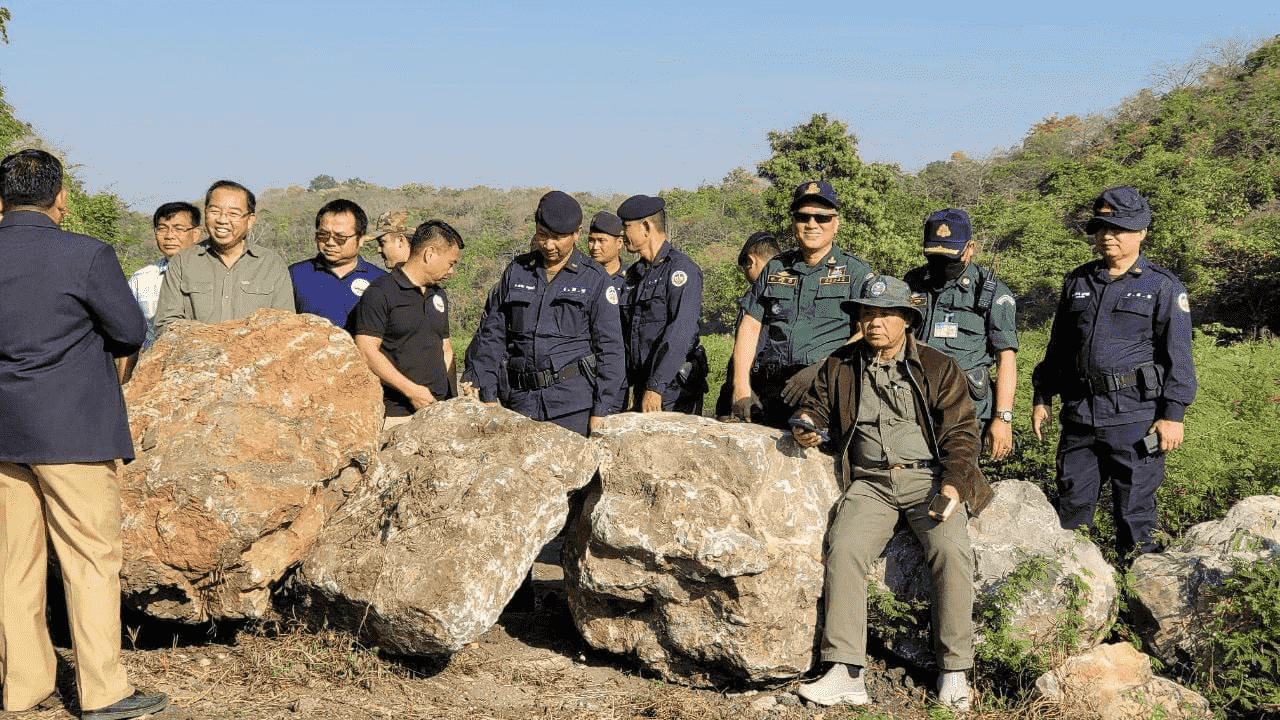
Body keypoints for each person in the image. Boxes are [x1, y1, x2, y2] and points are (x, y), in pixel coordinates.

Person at [0, 149, 168, 719]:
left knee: (11, 565)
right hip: (72, 429)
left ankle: (23, 687)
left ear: (1, 199)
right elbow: (128, 328)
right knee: (91, 560)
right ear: (61, 198)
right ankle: (103, 690)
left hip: (2, 432)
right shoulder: (85, 254)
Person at [791, 275, 988, 711]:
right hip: (870, 483)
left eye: (885, 314)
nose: (874, 322)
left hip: (928, 480)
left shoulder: (938, 366)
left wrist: (954, 483)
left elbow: (961, 433)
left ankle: (954, 671)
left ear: (907, 320)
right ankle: (845, 671)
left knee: (952, 552)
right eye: (867, 313)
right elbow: (817, 408)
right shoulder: (841, 364)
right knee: (843, 549)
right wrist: (806, 425)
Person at [1031, 186, 1196, 560]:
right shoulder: (1078, 282)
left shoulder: (1162, 286)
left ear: (1141, 233)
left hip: (1135, 418)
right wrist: (1042, 396)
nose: (1108, 236)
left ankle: (1138, 607)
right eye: (1102, 228)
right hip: (1080, 414)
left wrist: (1173, 416)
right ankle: (1073, 603)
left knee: (1135, 515)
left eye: (1118, 228)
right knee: (1071, 512)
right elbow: (1058, 349)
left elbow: (1179, 358)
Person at [465, 190, 625, 435]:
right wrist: (486, 391)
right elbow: (492, 336)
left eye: (558, 238)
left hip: (572, 408)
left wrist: (601, 412)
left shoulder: (595, 279)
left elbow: (610, 351)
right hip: (518, 403)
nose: (549, 245)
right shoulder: (517, 271)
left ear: (577, 234)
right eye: (542, 236)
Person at [730, 180, 875, 428]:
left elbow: (868, 333)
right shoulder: (776, 268)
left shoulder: (855, 272)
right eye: (803, 217)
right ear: (793, 222)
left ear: (836, 223)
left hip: (825, 390)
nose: (812, 224)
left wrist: (822, 369)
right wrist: (741, 386)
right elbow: (751, 325)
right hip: (772, 387)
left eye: (822, 218)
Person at [904, 209, 1019, 460]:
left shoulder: (991, 293)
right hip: (913, 402)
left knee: (957, 481)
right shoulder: (913, 282)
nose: (943, 266)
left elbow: (1006, 359)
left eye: (950, 258)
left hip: (965, 409)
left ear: (971, 248)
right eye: (936, 257)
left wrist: (1003, 418)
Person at [351, 220, 464, 430]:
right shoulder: (380, 292)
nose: (452, 270)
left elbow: (445, 348)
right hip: (396, 416)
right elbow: (366, 351)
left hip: (438, 413)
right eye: (451, 263)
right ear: (429, 254)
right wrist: (412, 391)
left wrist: (452, 399)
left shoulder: (439, 294)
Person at [154, 180, 293, 334]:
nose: (222, 220)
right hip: (196, 356)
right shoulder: (181, 262)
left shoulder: (272, 264)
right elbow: (166, 324)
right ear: (205, 212)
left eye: (233, 213)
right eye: (214, 211)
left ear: (250, 220)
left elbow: (284, 326)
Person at [617, 195, 707, 414]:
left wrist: (656, 387)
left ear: (646, 227)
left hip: (671, 390)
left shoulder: (681, 270)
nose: (622, 233)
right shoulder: (635, 275)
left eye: (627, 226)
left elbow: (680, 332)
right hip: (643, 386)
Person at [115, 201, 203, 383]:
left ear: (196, 234)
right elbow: (130, 340)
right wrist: (123, 389)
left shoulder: (213, 276)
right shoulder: (142, 279)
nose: (169, 236)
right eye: (162, 228)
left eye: (178, 229)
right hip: (156, 378)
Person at [289, 198, 386, 330]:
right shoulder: (294, 275)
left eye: (340, 237)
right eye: (323, 235)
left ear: (361, 239)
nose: (330, 242)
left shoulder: (381, 281)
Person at [714, 231, 781, 420]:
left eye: (744, 267)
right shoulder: (795, 289)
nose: (745, 274)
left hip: (759, 388)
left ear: (751, 261)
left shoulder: (762, 296)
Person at [586, 210, 628, 286]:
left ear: (619, 243)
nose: (595, 247)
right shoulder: (579, 275)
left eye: (601, 241)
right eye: (591, 240)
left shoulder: (633, 277)